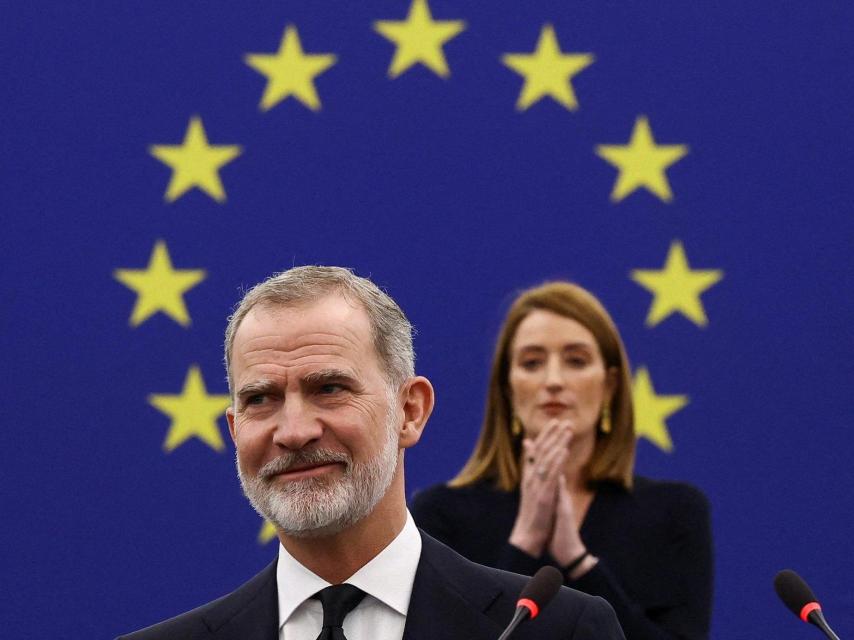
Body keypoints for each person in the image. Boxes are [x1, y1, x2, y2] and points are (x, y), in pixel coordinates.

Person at [118, 267, 625, 640]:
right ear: (234, 429)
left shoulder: (560, 631)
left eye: (330, 388)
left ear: (410, 412)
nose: (293, 431)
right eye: (260, 399)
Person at [412, 281, 713, 640]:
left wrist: (577, 561)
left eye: (576, 361)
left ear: (611, 386)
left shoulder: (674, 511)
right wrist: (525, 541)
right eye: (532, 362)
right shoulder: (442, 515)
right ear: (508, 388)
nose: (553, 380)